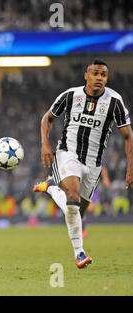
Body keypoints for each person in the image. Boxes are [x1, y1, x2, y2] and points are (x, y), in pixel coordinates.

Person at [33, 59, 133, 269]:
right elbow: (47, 119)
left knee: (76, 212)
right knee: (72, 196)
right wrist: (45, 143)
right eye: (95, 73)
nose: (99, 78)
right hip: (68, 154)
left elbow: (127, 136)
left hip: (94, 164)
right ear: (86, 76)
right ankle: (79, 254)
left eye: (103, 75)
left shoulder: (114, 101)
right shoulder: (70, 95)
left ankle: (52, 188)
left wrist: (130, 168)